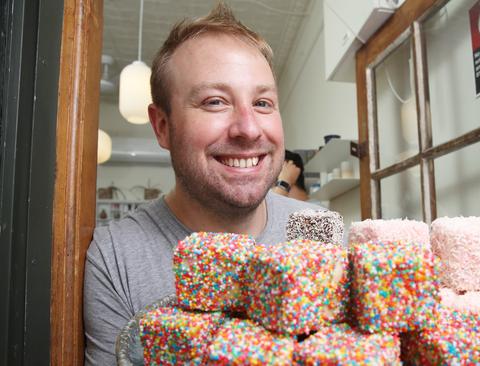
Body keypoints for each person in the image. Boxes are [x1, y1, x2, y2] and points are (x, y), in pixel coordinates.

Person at [83, 4, 323, 365]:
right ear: (162, 126)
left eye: (262, 102)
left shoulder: (319, 229)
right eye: (215, 102)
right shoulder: (115, 256)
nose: (249, 128)